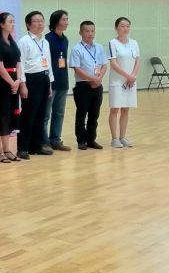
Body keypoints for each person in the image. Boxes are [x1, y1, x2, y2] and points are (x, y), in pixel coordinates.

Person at [17, 11, 54, 160]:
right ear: (28, 24)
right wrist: (23, 84)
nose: (40, 24)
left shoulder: (45, 41)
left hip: (44, 78)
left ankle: (36, 146)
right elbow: (20, 64)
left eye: (42, 21)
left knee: (40, 114)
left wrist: (49, 83)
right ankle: (23, 148)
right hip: (31, 80)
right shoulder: (24, 41)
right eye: (36, 21)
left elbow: (48, 63)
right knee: (28, 114)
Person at [70, 21, 107, 150]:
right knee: (81, 114)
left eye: (92, 31)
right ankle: (81, 140)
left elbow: (104, 65)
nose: (90, 33)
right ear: (80, 32)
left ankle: (91, 139)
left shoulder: (99, 47)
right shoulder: (76, 49)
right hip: (83, 86)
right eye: (87, 31)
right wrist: (92, 79)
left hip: (98, 85)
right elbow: (77, 69)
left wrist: (99, 78)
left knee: (94, 114)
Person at [0, 13, 22, 163]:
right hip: (2, 84)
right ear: (1, 24)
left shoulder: (12, 42)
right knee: (1, 117)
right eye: (10, 21)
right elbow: (0, 67)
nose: (12, 24)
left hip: (14, 82)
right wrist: (12, 83)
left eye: (13, 21)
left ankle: (7, 149)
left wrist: (18, 80)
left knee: (9, 116)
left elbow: (18, 63)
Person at [108, 17, 140, 148]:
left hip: (130, 82)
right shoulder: (113, 43)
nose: (125, 28)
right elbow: (113, 63)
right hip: (117, 82)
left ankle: (123, 137)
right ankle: (114, 139)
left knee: (126, 109)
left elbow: (137, 61)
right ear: (116, 28)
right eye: (122, 26)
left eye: (127, 26)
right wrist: (127, 76)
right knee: (115, 109)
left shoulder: (134, 43)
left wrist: (132, 77)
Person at [42, 10, 70, 152]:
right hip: (50, 82)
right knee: (46, 115)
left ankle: (56, 140)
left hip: (63, 81)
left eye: (67, 19)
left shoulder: (65, 39)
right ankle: (44, 141)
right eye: (64, 19)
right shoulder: (47, 39)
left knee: (59, 113)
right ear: (56, 21)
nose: (66, 22)